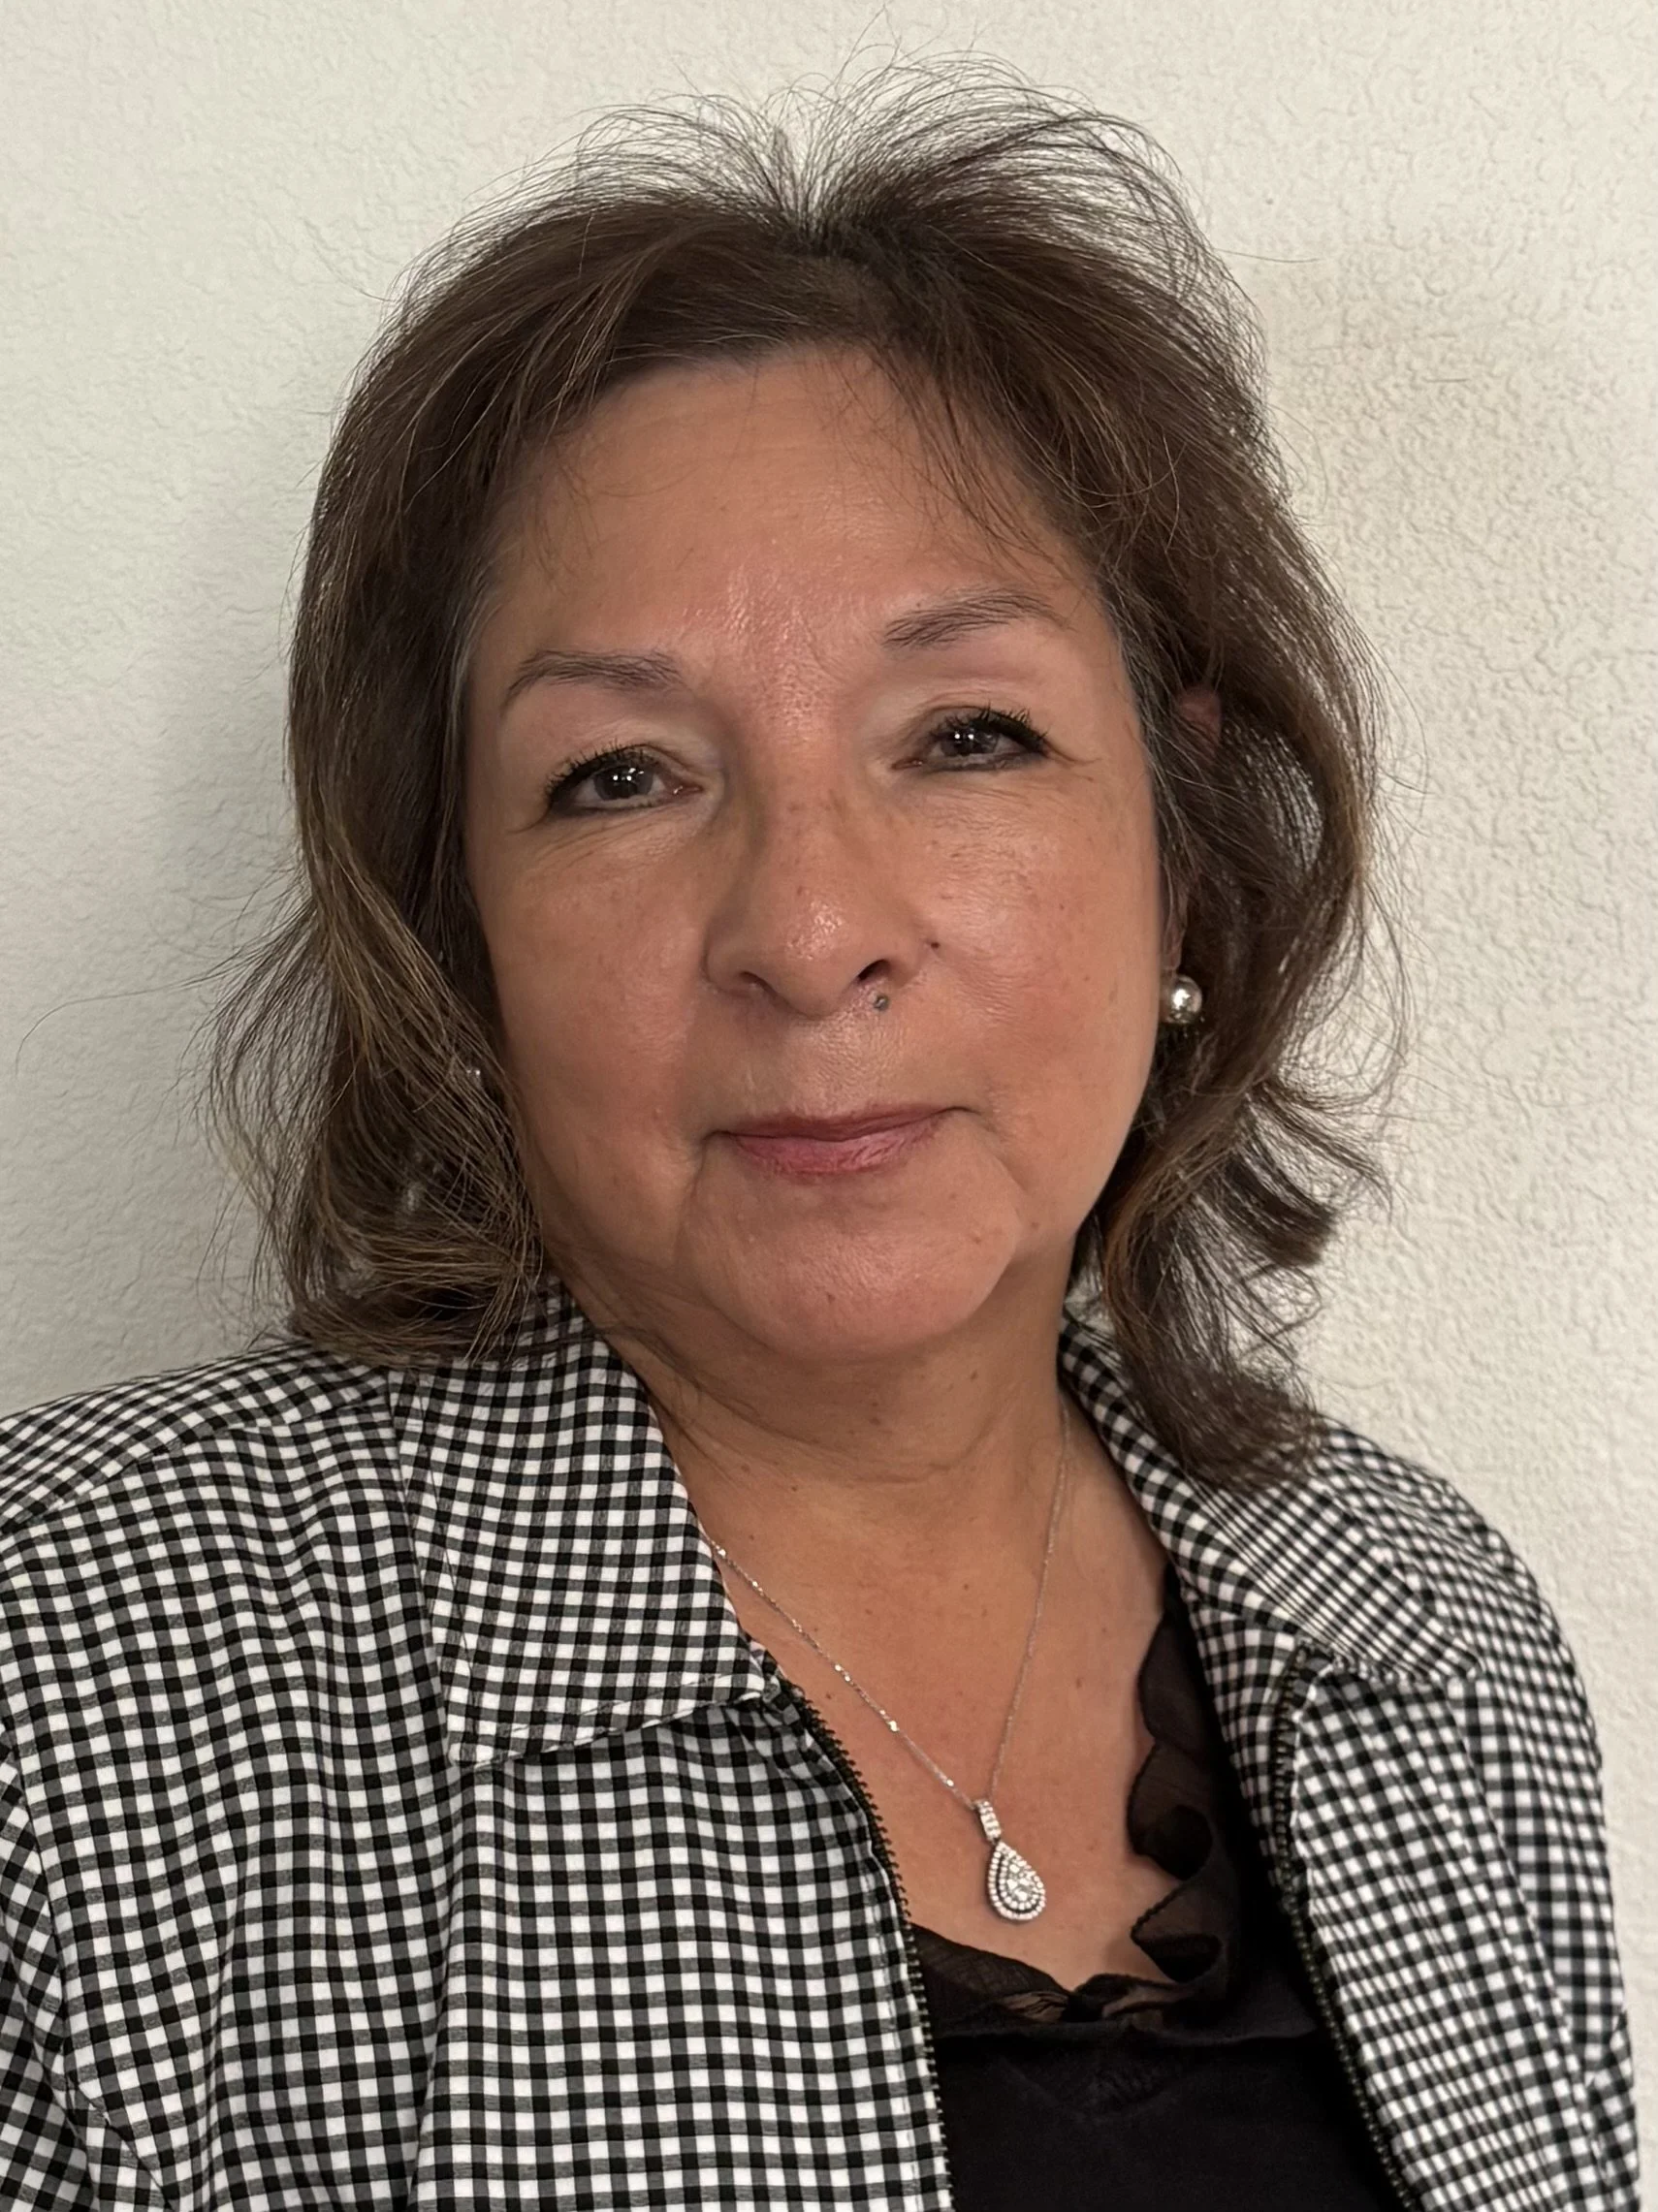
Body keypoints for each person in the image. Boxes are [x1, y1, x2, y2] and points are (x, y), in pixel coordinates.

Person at [0, 67, 1635, 2212]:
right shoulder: (76, 1685)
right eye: (620, 777)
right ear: (456, 921)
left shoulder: (1433, 1633)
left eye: (969, 735)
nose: (809, 931)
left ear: (1183, 841)